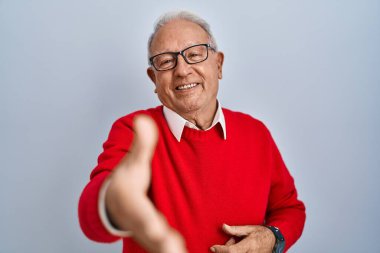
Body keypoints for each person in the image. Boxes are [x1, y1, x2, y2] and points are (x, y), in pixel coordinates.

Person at [78, 11, 306, 253]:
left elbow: (289, 209)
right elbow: (91, 216)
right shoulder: (134, 131)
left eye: (195, 54)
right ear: (153, 79)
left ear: (218, 64)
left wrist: (272, 238)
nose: (182, 70)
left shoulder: (256, 133)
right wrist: (114, 201)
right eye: (166, 61)